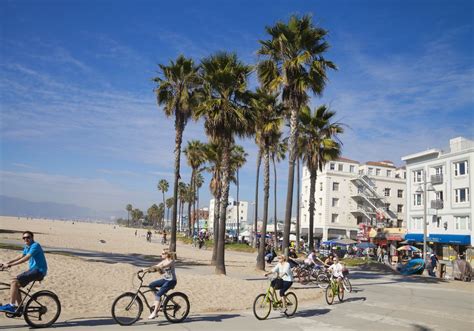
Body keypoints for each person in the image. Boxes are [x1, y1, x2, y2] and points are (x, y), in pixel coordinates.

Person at [0, 231, 48, 313]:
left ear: (32, 238)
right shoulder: (27, 246)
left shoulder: (35, 245)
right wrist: (7, 263)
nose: (26, 239)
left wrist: (11, 265)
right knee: (16, 285)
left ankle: (11, 305)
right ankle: (20, 307)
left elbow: (26, 258)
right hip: (33, 270)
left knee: (14, 281)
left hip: (39, 271)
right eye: (24, 238)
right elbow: (21, 256)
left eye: (28, 237)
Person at [142, 250, 177, 319]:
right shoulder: (164, 260)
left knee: (158, 294)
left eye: (163, 253)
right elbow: (157, 266)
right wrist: (145, 269)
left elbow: (162, 266)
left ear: (167, 254)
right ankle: (158, 300)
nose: (161, 254)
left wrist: (154, 269)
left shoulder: (171, 261)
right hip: (165, 280)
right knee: (151, 285)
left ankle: (155, 313)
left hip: (171, 281)